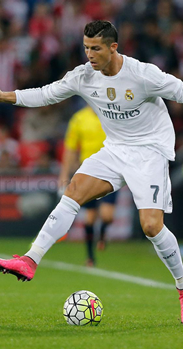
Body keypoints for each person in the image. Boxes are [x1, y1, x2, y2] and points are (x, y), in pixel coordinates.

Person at [0, 21, 183, 325]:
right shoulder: (84, 76)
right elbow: (46, 94)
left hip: (149, 151)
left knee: (150, 226)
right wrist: (4, 96)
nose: (89, 54)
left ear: (113, 48)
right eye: (86, 47)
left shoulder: (142, 75)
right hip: (116, 149)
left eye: (95, 48)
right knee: (74, 190)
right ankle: (30, 260)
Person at [58, 105, 117, 267]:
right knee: (90, 217)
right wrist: (64, 174)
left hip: (111, 171)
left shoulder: (113, 114)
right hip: (88, 172)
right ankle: (90, 256)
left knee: (107, 215)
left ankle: (103, 233)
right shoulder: (79, 118)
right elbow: (70, 148)